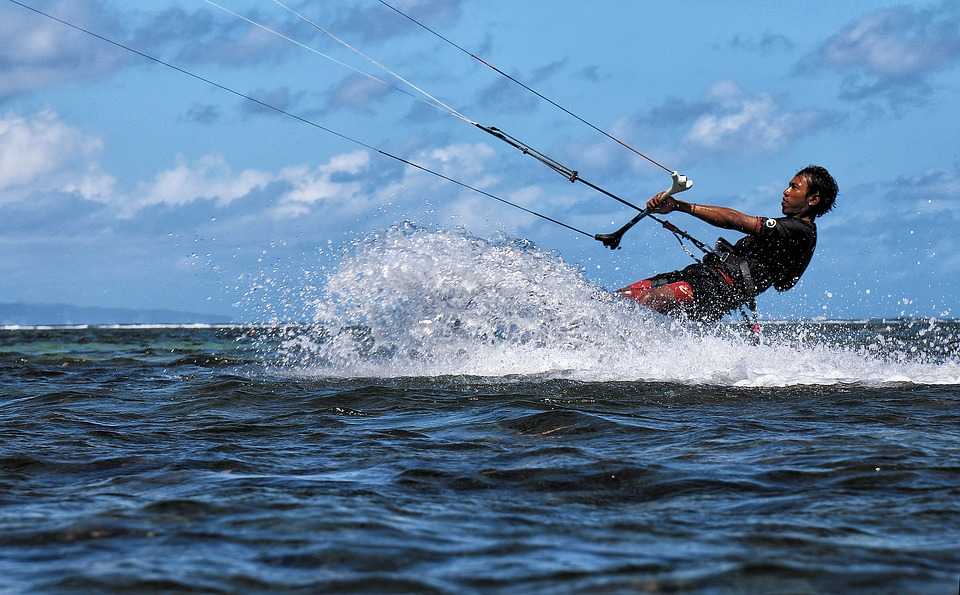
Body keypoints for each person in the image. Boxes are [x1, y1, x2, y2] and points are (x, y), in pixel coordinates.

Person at [617, 165, 838, 322]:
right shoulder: (794, 231)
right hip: (704, 276)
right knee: (622, 298)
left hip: (718, 290)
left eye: (794, 187)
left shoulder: (799, 231)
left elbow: (736, 221)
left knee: (641, 301)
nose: (786, 191)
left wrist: (680, 206)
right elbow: (784, 284)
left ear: (813, 199)